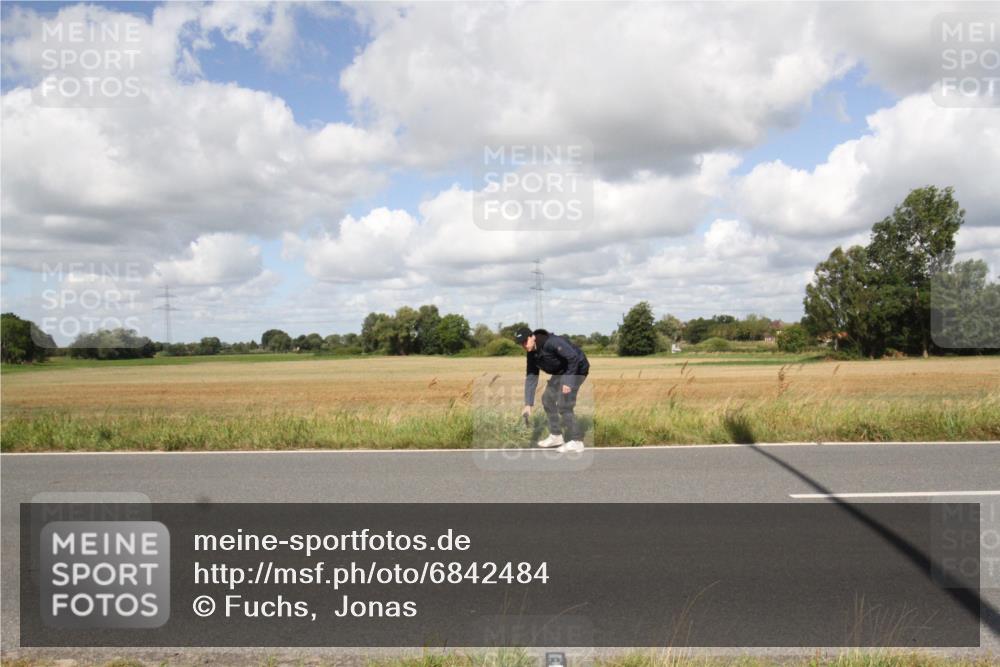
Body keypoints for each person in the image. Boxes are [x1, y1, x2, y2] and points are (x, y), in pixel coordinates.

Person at [514, 327, 590, 452]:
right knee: (547, 399)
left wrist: (568, 381)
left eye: (525, 341)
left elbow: (573, 358)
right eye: (521, 343)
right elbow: (531, 376)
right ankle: (556, 436)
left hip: (577, 369)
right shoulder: (532, 353)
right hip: (561, 372)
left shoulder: (552, 342)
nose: (524, 345)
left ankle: (577, 441)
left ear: (532, 337)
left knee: (564, 404)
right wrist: (528, 404)